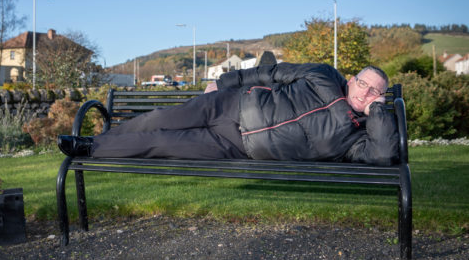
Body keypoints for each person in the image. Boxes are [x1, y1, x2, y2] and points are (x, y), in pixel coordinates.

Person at [58, 63, 399, 166]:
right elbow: (270, 73)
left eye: (376, 92)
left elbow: (384, 154)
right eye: (364, 85)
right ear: (352, 79)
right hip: (231, 104)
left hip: (235, 145)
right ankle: (96, 140)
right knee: (155, 119)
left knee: (160, 143)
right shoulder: (323, 75)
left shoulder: (359, 135)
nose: (366, 94)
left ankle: (90, 149)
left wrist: (378, 112)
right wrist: (221, 83)